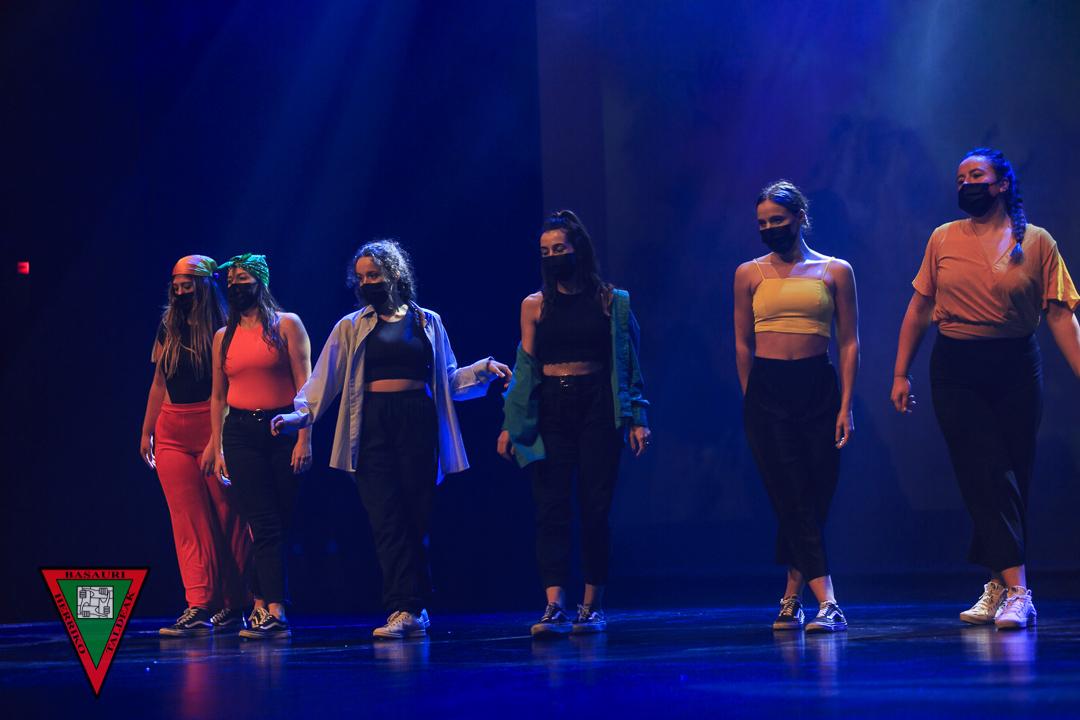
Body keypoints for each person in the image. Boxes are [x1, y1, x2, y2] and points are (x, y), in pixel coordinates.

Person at [271, 239, 511, 639]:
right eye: (361, 277)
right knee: (386, 518)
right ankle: (402, 606)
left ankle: (415, 606)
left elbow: (448, 380)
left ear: (395, 275)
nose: (367, 283)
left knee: (415, 518)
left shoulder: (427, 322)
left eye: (374, 275)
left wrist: (483, 369)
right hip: (371, 424)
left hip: (417, 420)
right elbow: (324, 380)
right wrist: (300, 416)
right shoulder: (351, 326)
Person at [892, 148, 1080, 630]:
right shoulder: (943, 238)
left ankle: (997, 584)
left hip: (1016, 366)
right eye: (960, 179)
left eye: (976, 175)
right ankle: (1019, 591)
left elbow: (1060, 314)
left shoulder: (1037, 242)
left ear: (1001, 184)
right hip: (957, 367)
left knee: (1013, 476)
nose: (966, 185)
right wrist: (900, 372)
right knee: (984, 470)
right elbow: (919, 307)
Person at [498, 209, 651, 637]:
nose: (552, 257)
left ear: (577, 249)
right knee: (551, 507)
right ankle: (554, 605)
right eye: (545, 251)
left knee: (595, 508)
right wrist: (511, 424)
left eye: (559, 248)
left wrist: (637, 417)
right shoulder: (535, 305)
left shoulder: (610, 300)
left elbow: (628, 362)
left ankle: (592, 605)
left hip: (597, 404)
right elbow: (526, 367)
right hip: (552, 407)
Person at [732, 181, 859, 633]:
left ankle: (791, 596)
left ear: (800, 218)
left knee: (814, 493)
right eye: (762, 223)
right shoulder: (748, 273)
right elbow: (742, 343)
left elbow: (849, 341)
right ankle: (829, 602)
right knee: (789, 492)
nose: (769, 228)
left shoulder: (835, 270)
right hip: (768, 390)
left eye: (778, 220)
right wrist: (751, 396)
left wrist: (846, 404)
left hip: (818, 387)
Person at [140, 255, 251, 636]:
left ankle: (237, 602)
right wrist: (147, 430)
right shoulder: (168, 326)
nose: (181, 293)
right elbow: (159, 382)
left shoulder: (223, 328)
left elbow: (228, 389)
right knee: (187, 521)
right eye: (176, 287)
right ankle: (198, 603)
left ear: (204, 287)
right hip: (171, 430)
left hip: (210, 426)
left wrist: (216, 441)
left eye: (188, 286)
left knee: (228, 517)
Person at [209, 253, 313, 639]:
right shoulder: (223, 336)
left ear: (260, 283)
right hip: (239, 432)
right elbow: (218, 397)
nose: (236, 287)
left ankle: (258, 601)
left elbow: (306, 386)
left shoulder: (287, 325)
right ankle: (275, 609)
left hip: (281, 428)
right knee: (263, 522)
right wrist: (217, 447)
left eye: (243, 280)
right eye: (231, 282)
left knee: (277, 521)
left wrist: (304, 437)